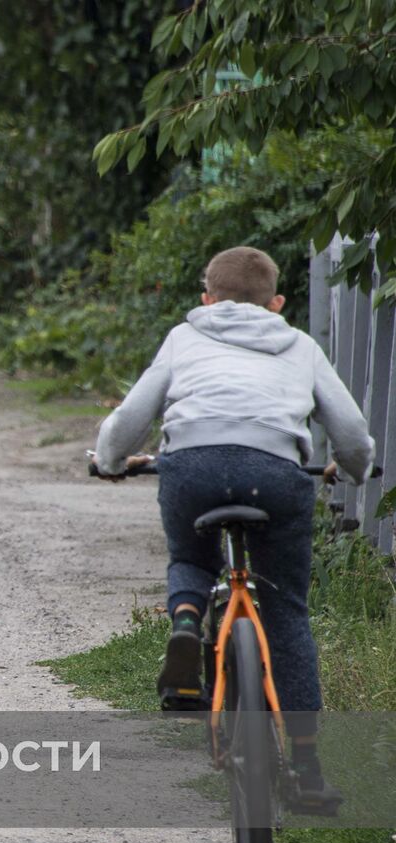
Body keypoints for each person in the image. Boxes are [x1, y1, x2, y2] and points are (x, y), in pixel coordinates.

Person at [92, 245, 373, 804]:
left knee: (191, 560)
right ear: (277, 303)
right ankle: (310, 768)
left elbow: (131, 417)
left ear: (206, 299)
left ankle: (188, 622)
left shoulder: (185, 337)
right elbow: (350, 430)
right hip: (275, 471)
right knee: (286, 608)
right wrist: (354, 469)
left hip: (191, 466)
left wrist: (109, 460)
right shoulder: (299, 344)